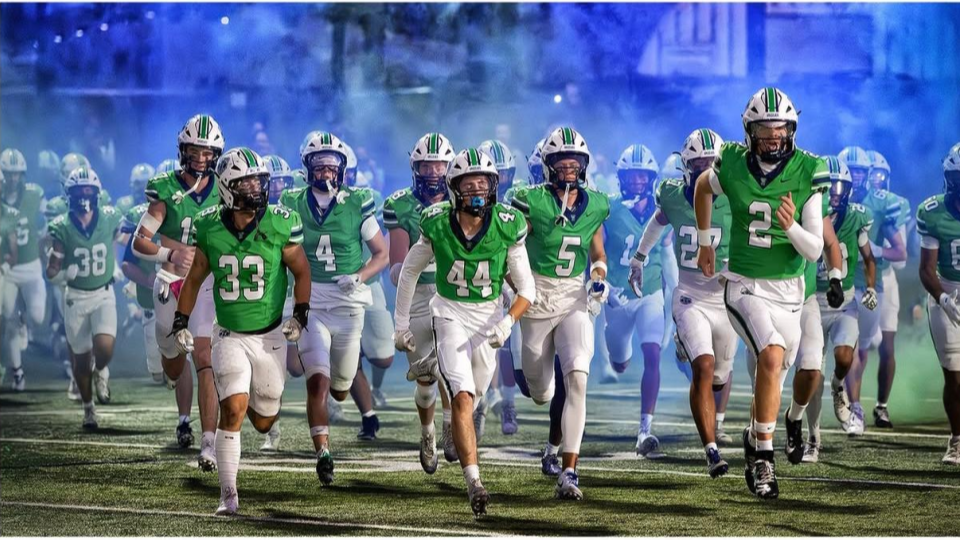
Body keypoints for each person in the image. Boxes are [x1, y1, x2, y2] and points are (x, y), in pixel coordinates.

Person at [693, 87, 831, 499]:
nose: (773, 139)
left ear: (791, 131)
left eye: (780, 131)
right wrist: (705, 241)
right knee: (770, 354)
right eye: (764, 131)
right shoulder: (733, 161)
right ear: (749, 131)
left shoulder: (808, 169)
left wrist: (790, 227)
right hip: (744, 284)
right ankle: (765, 462)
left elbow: (815, 249)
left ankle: (756, 438)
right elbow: (703, 186)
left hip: (790, 291)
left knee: (776, 371)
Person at [170, 146, 311, 515]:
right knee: (232, 408)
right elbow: (196, 274)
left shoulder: (281, 221)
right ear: (227, 189)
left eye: (258, 181)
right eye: (246, 182)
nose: (255, 189)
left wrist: (300, 314)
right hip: (229, 333)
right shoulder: (209, 225)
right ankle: (228, 494)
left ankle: (252, 400)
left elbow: (301, 271)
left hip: (270, 335)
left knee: (264, 420)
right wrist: (181, 320)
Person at [394, 147, 534, 517]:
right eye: (468, 183)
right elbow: (408, 272)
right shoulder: (437, 221)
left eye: (482, 182)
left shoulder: (507, 223)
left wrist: (506, 322)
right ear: (454, 188)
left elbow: (528, 290)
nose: (476, 189)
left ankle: (433, 363)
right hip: (450, 313)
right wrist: (401, 324)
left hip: (488, 319)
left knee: (476, 393)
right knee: (462, 400)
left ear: (493, 186)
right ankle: (475, 482)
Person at [281, 131, 388, 484]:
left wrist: (358, 276)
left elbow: (381, 254)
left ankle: (349, 400)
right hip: (310, 300)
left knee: (341, 385)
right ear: (307, 167)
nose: (326, 172)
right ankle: (323, 453)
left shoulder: (359, 201)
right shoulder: (291, 200)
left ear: (342, 169)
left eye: (332, 166)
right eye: (319, 165)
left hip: (347, 304)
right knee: (317, 381)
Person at [511, 127, 610, 500]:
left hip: (572, 298)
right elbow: (512, 246)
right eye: (562, 163)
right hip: (535, 299)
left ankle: (570, 470)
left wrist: (598, 276)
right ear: (548, 166)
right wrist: (515, 284)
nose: (570, 169)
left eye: (575, 163)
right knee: (541, 391)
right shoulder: (529, 201)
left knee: (578, 380)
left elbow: (597, 255)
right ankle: (553, 437)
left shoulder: (596, 204)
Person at [630, 128, 736, 476]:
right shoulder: (673, 195)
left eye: (712, 164)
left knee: (720, 377)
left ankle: (686, 345)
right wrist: (640, 257)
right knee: (702, 368)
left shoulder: (736, 194)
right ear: (686, 167)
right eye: (699, 164)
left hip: (727, 296)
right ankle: (711, 450)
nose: (706, 171)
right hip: (690, 294)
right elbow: (657, 222)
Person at [133, 114, 223, 470]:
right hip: (170, 283)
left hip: (206, 286)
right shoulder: (165, 189)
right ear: (182, 151)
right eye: (195, 151)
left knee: (205, 358)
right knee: (173, 364)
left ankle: (209, 444)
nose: (201, 159)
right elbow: (139, 242)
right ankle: (172, 371)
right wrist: (170, 253)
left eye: (207, 152)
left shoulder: (225, 187)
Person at [384, 132, 457, 471]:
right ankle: (428, 431)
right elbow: (397, 267)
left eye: (439, 164)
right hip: (414, 295)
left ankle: (449, 425)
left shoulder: (462, 199)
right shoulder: (400, 204)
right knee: (427, 378)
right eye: (426, 165)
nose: (433, 172)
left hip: (452, 293)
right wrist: (417, 263)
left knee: (451, 369)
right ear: (415, 167)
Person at [802, 156, 878, 463]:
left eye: (839, 188)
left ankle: (839, 388)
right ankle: (813, 440)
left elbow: (869, 259)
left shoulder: (858, 218)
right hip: (811, 303)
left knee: (844, 357)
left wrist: (870, 287)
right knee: (811, 377)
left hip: (844, 300)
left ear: (848, 191)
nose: (833, 193)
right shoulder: (806, 213)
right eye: (828, 187)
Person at [605, 143, 674, 458]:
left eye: (641, 177)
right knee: (619, 361)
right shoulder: (608, 209)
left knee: (653, 353)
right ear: (621, 178)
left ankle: (645, 429)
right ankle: (621, 357)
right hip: (617, 295)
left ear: (652, 178)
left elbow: (670, 260)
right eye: (631, 177)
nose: (636, 182)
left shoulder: (663, 211)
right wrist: (602, 285)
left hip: (649, 294)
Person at [45, 167, 123, 429]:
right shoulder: (62, 226)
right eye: (80, 190)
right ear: (70, 195)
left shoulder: (110, 217)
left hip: (103, 293)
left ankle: (101, 369)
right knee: (79, 359)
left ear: (98, 193)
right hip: (75, 297)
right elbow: (51, 272)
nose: (84, 195)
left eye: (89, 190)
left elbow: (121, 239)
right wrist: (64, 273)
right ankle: (88, 409)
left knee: (104, 348)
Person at [839, 145, 907, 435]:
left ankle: (878, 403)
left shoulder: (883, 203)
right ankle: (853, 406)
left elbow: (900, 253)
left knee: (867, 346)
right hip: (841, 284)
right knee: (849, 348)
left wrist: (874, 250)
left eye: (860, 172)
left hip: (873, 284)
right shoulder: (828, 200)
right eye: (851, 171)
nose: (856, 177)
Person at [917, 142, 960, 466]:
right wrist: (944, 299)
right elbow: (926, 270)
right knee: (954, 376)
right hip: (944, 289)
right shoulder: (933, 212)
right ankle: (957, 439)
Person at [1, 148, 46, 392]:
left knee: (37, 318)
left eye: (17, 174)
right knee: (8, 315)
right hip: (7, 268)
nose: (13, 178)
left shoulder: (34, 195)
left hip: (30, 266)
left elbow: (48, 221)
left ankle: (24, 321)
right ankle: (17, 372)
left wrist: (45, 243)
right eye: (9, 173)